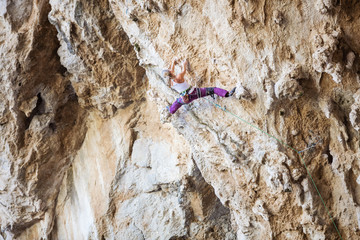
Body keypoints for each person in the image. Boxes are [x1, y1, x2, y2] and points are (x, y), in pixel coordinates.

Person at [163, 59, 236, 114]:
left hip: (185, 98)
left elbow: (170, 71)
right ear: (170, 72)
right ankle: (226, 94)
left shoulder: (169, 82)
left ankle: (171, 111)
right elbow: (183, 71)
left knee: (177, 102)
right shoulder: (178, 77)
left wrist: (173, 62)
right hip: (194, 92)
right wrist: (184, 64)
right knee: (213, 90)